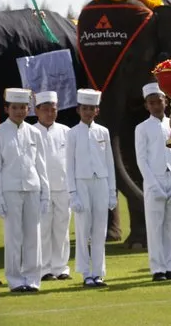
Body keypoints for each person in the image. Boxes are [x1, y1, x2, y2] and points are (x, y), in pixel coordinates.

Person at [0, 88, 50, 292]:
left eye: (23, 108)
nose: (19, 111)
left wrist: (46, 194)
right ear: (6, 109)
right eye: (14, 108)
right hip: (10, 190)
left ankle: (32, 279)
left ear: (29, 109)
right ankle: (15, 280)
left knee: (33, 236)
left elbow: (41, 165)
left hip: (32, 188)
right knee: (13, 236)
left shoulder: (35, 132)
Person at [67, 89, 116, 288]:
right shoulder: (72, 133)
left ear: (97, 110)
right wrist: (73, 193)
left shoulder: (103, 131)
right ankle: (85, 272)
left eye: (91, 109)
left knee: (99, 230)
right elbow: (69, 164)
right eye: (84, 108)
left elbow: (109, 162)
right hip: (82, 182)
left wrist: (112, 191)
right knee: (83, 229)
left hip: (101, 182)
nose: (88, 112)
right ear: (79, 110)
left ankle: (98, 272)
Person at [134, 82, 171, 282]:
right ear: (146, 105)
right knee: (155, 226)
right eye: (151, 103)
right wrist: (153, 185)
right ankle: (158, 268)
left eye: (159, 101)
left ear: (166, 101)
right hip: (154, 179)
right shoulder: (142, 128)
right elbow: (141, 159)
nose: (156, 106)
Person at [33, 91, 72, 281]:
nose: (49, 113)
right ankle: (44, 269)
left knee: (62, 230)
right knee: (43, 230)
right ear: (37, 111)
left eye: (53, 109)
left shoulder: (66, 131)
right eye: (45, 110)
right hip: (40, 190)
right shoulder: (31, 132)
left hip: (63, 187)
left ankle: (61, 268)